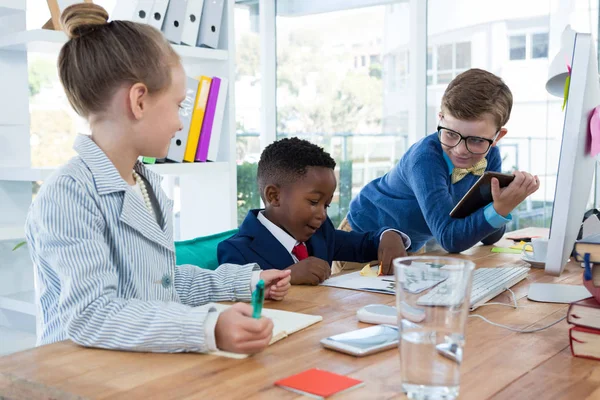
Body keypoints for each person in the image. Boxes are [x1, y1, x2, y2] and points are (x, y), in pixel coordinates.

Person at [25, 3, 290, 355]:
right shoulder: (69, 194)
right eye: (179, 105)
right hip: (80, 379)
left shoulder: (146, 184)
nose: (181, 123)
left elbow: (163, 283)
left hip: (139, 371)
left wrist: (246, 280)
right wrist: (206, 327)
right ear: (138, 101)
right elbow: (91, 314)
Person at [345, 68, 540, 255]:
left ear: (498, 137)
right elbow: (449, 239)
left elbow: (488, 237)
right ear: (440, 120)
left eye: (477, 140)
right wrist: (498, 209)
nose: (460, 150)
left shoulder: (490, 157)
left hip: (409, 244)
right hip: (363, 238)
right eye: (450, 134)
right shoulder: (425, 160)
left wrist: (503, 203)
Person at [218, 138, 410, 285]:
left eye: (326, 205)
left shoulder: (321, 232)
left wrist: (388, 236)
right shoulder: (236, 251)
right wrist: (288, 276)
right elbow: (236, 294)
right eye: (313, 201)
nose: (322, 214)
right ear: (274, 196)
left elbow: (362, 245)